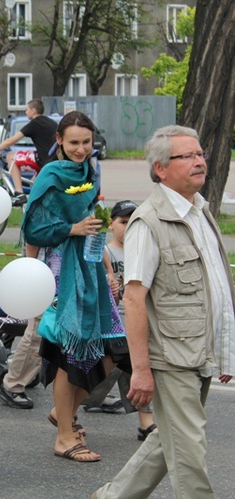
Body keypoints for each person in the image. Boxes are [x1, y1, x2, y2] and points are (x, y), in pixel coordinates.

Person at [92, 126, 234, 499]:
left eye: (200, 153)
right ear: (160, 168)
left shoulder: (200, 211)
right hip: (171, 357)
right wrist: (141, 370)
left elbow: (213, 288)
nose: (199, 161)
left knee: (167, 440)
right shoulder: (148, 222)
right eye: (186, 156)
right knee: (189, 455)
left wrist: (223, 347)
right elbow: (135, 299)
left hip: (197, 350)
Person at [22, 111, 128, 463]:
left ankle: (63, 413)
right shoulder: (50, 175)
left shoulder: (90, 171)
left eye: (86, 142)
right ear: (59, 142)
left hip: (92, 267)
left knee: (114, 352)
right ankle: (64, 437)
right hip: (61, 271)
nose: (81, 149)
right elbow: (32, 229)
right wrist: (71, 229)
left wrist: (106, 266)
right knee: (70, 357)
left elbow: (92, 221)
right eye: (74, 143)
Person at [81, 200, 157, 441]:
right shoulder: (103, 251)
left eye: (134, 223)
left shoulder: (144, 251)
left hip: (135, 319)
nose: (128, 228)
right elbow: (92, 281)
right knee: (117, 365)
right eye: (123, 222)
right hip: (111, 319)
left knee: (131, 365)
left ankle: (146, 422)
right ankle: (82, 400)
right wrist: (109, 287)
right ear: (111, 224)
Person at [0, 99, 57, 204]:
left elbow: (9, 141)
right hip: (53, 161)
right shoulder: (50, 121)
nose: (26, 112)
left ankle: (19, 193)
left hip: (44, 161)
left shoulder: (35, 123)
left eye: (27, 109)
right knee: (35, 189)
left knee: (10, 156)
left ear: (33, 110)